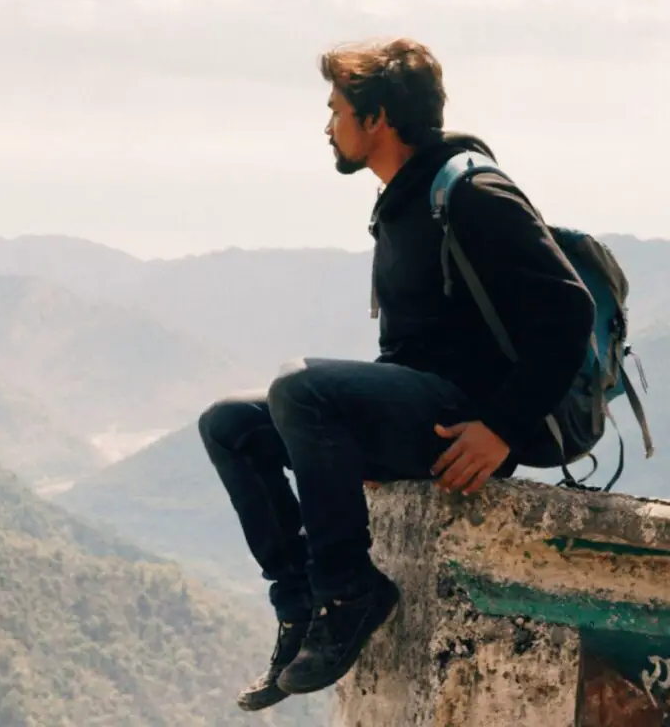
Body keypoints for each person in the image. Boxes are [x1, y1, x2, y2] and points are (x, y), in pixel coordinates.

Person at [197, 37, 596, 711]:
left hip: (471, 421)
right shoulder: (402, 203)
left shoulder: (472, 191)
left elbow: (569, 309)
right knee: (231, 423)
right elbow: (415, 348)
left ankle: (351, 592)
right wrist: (357, 434)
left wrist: (501, 428)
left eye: (336, 112)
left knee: (300, 384)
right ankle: (299, 613)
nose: (328, 128)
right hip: (422, 404)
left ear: (377, 118)